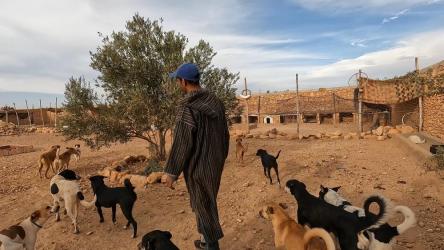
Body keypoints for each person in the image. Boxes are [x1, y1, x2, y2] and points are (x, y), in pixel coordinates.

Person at [163, 63, 230, 250]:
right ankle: (204, 241)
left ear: (184, 81)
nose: (178, 84)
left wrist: (171, 172)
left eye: (177, 80)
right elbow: (225, 134)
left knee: (203, 205)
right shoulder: (215, 101)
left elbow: (182, 142)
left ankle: (211, 245)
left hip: (197, 167)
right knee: (206, 202)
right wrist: (220, 157)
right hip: (214, 164)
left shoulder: (188, 107)